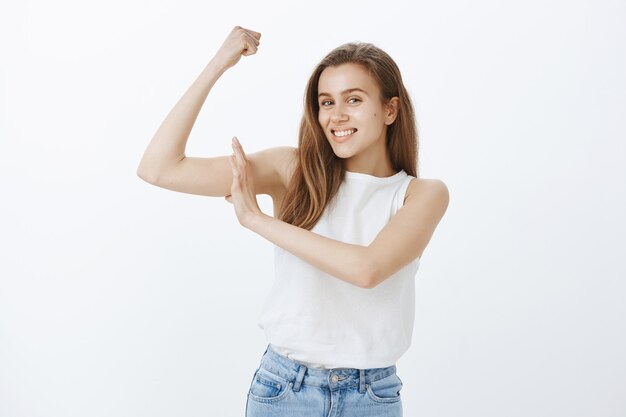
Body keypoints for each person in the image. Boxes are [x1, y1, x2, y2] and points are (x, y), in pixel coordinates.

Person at [137, 25, 449, 417]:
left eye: (353, 99)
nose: (337, 116)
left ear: (390, 109)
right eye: (326, 102)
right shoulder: (293, 170)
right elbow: (158, 168)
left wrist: (257, 221)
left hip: (373, 397)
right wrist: (219, 63)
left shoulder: (422, 194)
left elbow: (367, 269)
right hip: (284, 391)